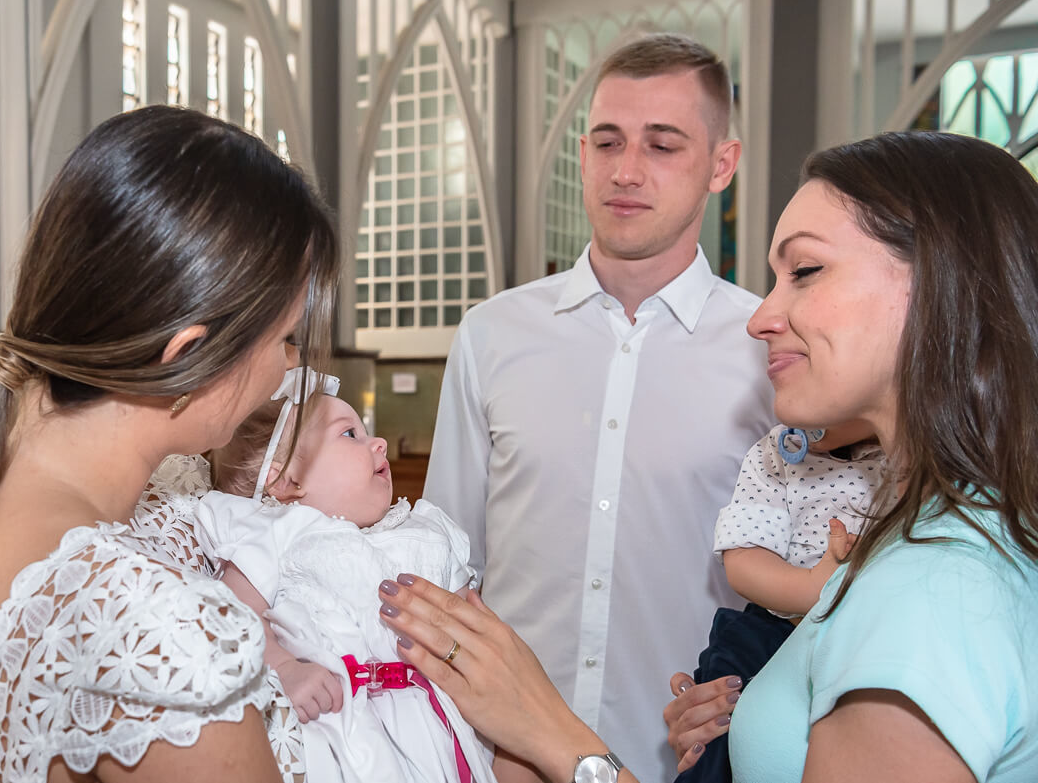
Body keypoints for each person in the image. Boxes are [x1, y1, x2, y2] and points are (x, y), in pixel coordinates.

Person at [379, 131, 1038, 783]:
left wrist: (550, 732)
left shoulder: (937, 587)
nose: (761, 317)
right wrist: (752, 727)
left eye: (805, 271)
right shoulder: (943, 535)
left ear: (943, 286)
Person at [0, 105, 340, 783]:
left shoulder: (14, 485)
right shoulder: (151, 622)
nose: (288, 368)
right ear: (188, 358)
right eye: (285, 339)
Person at [423, 33, 774, 781]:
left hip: (680, 763)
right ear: (582, 155)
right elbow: (446, 562)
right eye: (608, 141)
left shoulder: (767, 352)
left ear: (722, 165)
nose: (626, 170)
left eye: (663, 145)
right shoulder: (492, 334)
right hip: (497, 760)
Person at [195, 369, 495, 783]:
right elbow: (232, 613)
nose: (379, 442)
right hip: (340, 726)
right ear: (286, 481)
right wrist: (285, 667)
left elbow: (470, 627)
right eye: (349, 434)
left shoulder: (427, 531)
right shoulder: (280, 534)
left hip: (441, 728)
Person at [680, 420, 883, 782]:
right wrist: (815, 588)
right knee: (718, 731)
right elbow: (744, 559)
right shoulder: (778, 450)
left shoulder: (922, 459)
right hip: (774, 631)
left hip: (869, 645)